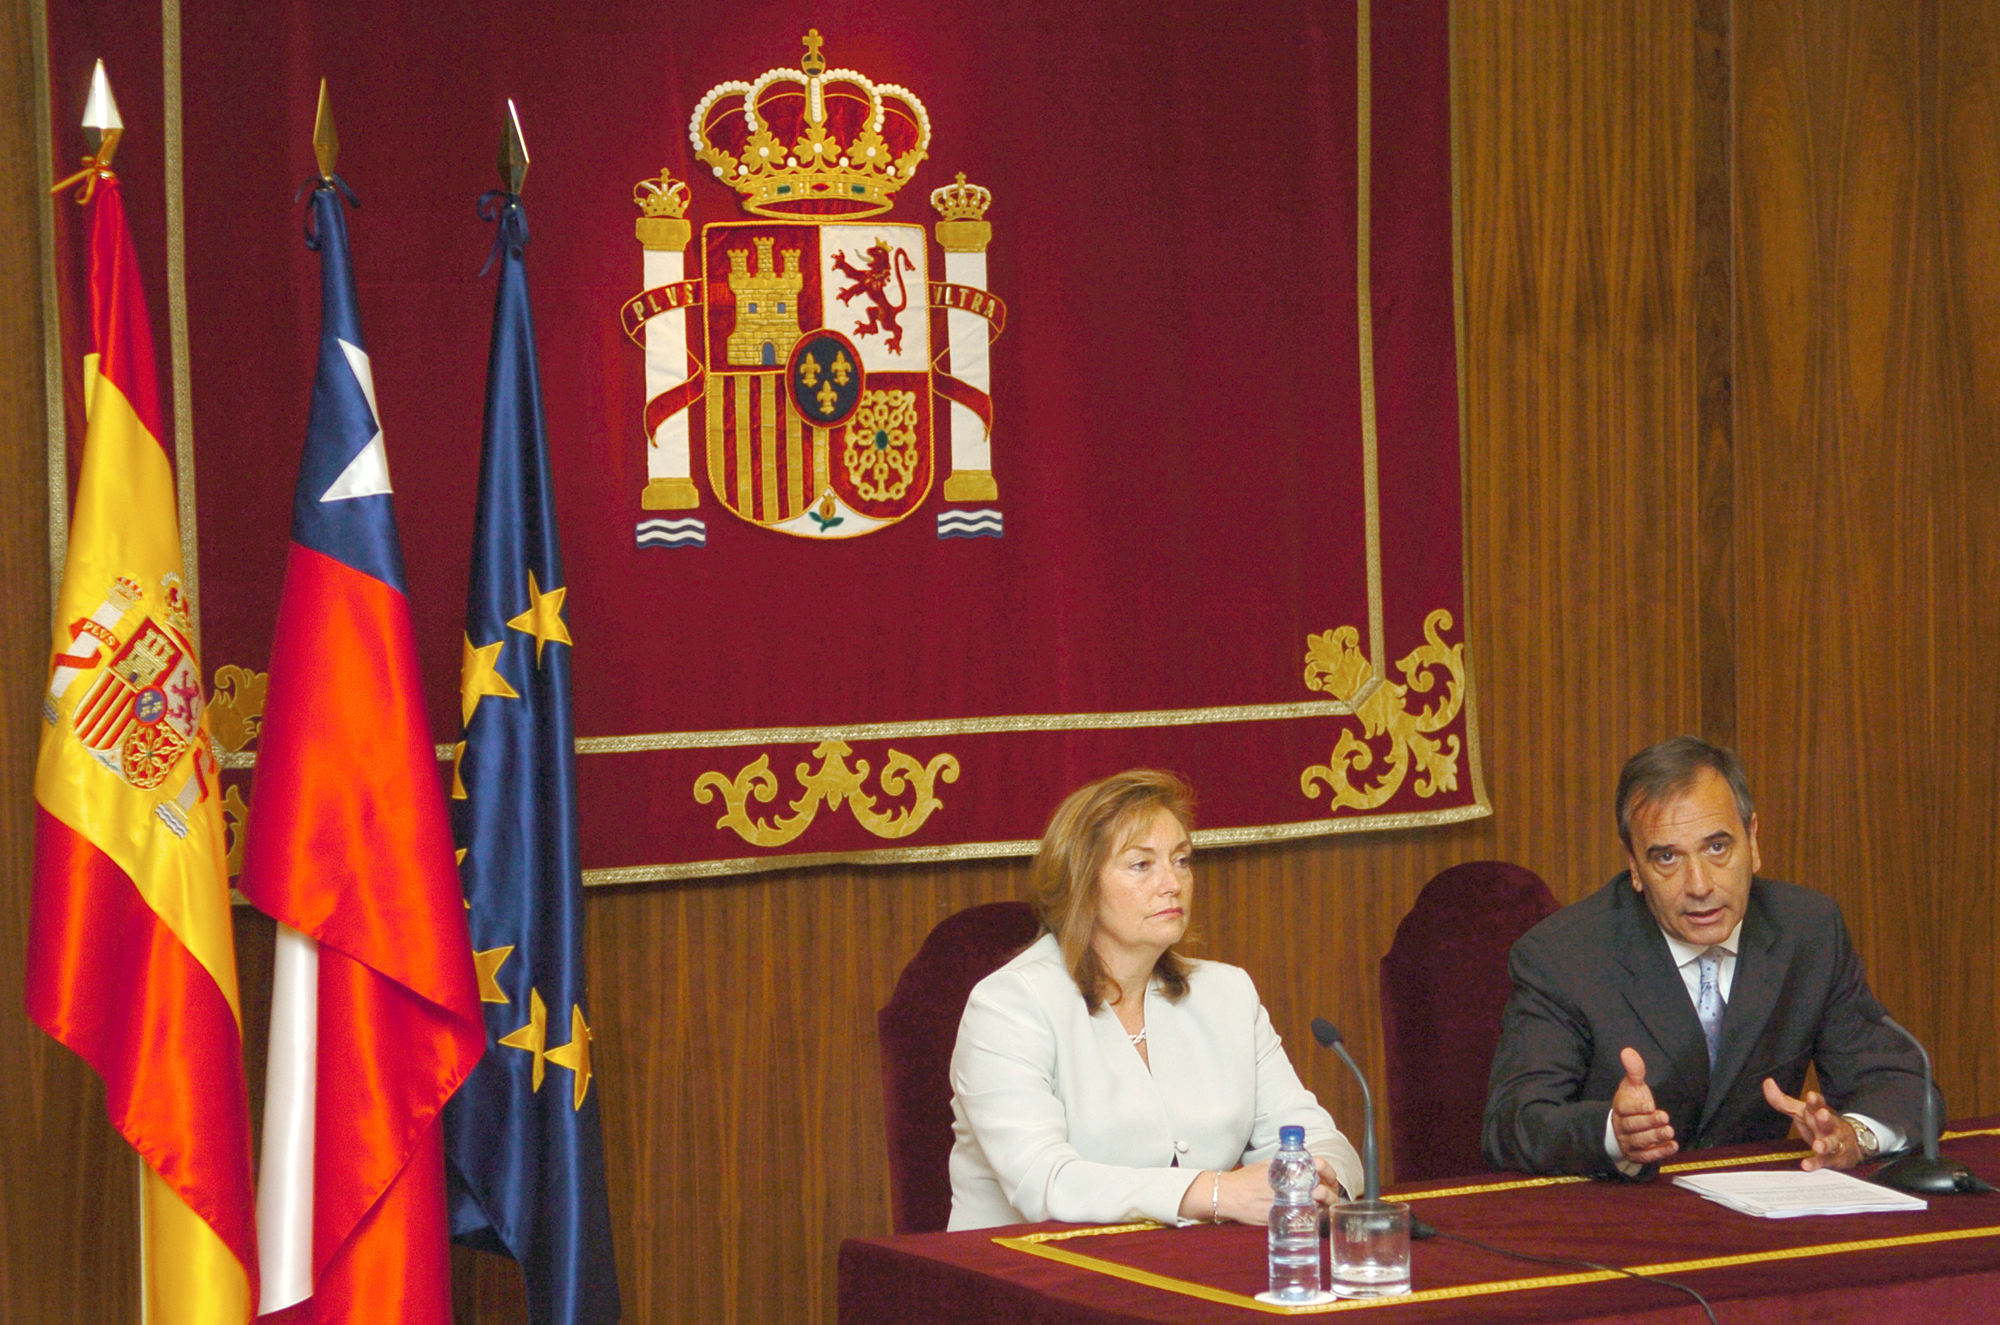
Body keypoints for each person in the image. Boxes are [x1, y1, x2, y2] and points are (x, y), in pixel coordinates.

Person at [1483, 736, 1932, 1177]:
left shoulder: (1808, 931)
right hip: (1619, 1219)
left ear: (1752, 839)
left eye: (1717, 848)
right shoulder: (1562, 956)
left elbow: (1902, 1083)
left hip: (1762, 1218)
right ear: (1635, 867)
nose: (1699, 885)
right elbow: (1512, 1123)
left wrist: (1853, 1135)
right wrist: (1612, 1133)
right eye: (1667, 859)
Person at [947, 770, 1363, 1230]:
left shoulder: (1228, 993)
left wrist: (1318, 1179)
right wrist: (1218, 1192)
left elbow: (1317, 1137)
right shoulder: (1008, 1005)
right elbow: (1043, 1181)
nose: (1172, 883)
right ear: (1081, 884)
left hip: (1191, 1270)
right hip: (1023, 1275)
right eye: (1141, 865)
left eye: (1181, 860)